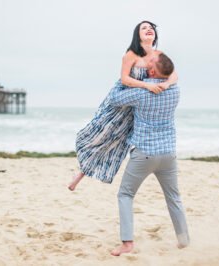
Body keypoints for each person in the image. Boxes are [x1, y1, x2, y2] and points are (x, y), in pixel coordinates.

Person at [68, 21, 177, 191]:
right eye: (144, 28)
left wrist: (167, 84)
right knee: (102, 137)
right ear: (137, 35)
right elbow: (125, 79)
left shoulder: (159, 54)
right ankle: (80, 172)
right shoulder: (131, 55)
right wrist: (147, 86)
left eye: (151, 28)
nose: (149, 29)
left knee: (118, 143)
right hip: (121, 103)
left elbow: (174, 75)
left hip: (139, 106)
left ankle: (82, 174)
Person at [108, 53, 190, 256]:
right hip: (168, 154)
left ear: (152, 71)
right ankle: (183, 238)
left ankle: (127, 243)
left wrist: (125, 75)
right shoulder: (175, 91)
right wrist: (168, 79)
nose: (145, 62)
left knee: (125, 195)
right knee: (174, 197)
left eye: (149, 63)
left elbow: (114, 98)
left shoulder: (141, 93)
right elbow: (173, 76)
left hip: (144, 154)